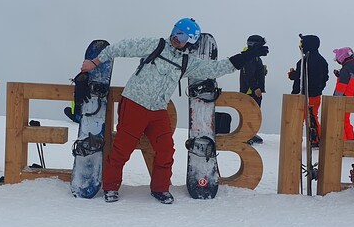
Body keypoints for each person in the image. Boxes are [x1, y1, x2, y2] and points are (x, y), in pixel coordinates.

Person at [80, 17, 268, 204]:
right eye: (176, 32)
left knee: (166, 152)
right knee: (122, 150)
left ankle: (160, 189)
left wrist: (247, 56)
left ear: (191, 41)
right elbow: (123, 47)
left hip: (158, 110)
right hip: (135, 104)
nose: (176, 37)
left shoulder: (188, 62)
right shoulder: (155, 46)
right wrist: (95, 62)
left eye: (183, 36)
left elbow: (215, 68)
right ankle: (111, 188)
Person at [287, 34, 329, 145]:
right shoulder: (322, 60)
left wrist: (293, 78)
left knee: (298, 118)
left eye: (302, 44)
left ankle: (295, 139)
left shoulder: (304, 61)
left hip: (303, 94)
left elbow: (301, 78)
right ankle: (316, 139)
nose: (300, 46)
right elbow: (325, 77)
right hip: (315, 94)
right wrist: (319, 88)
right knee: (312, 116)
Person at [239, 34, 267, 145]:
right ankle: (246, 135)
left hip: (253, 90)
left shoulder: (254, 57)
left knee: (254, 113)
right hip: (249, 91)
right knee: (249, 113)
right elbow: (248, 75)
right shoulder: (249, 57)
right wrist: (255, 87)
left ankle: (250, 133)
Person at [331, 47, 354, 140]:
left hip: (342, 98)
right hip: (350, 96)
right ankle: (351, 141)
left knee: (340, 121)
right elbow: (350, 81)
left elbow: (342, 86)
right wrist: (339, 75)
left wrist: (335, 99)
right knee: (346, 121)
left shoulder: (346, 69)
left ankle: (343, 144)